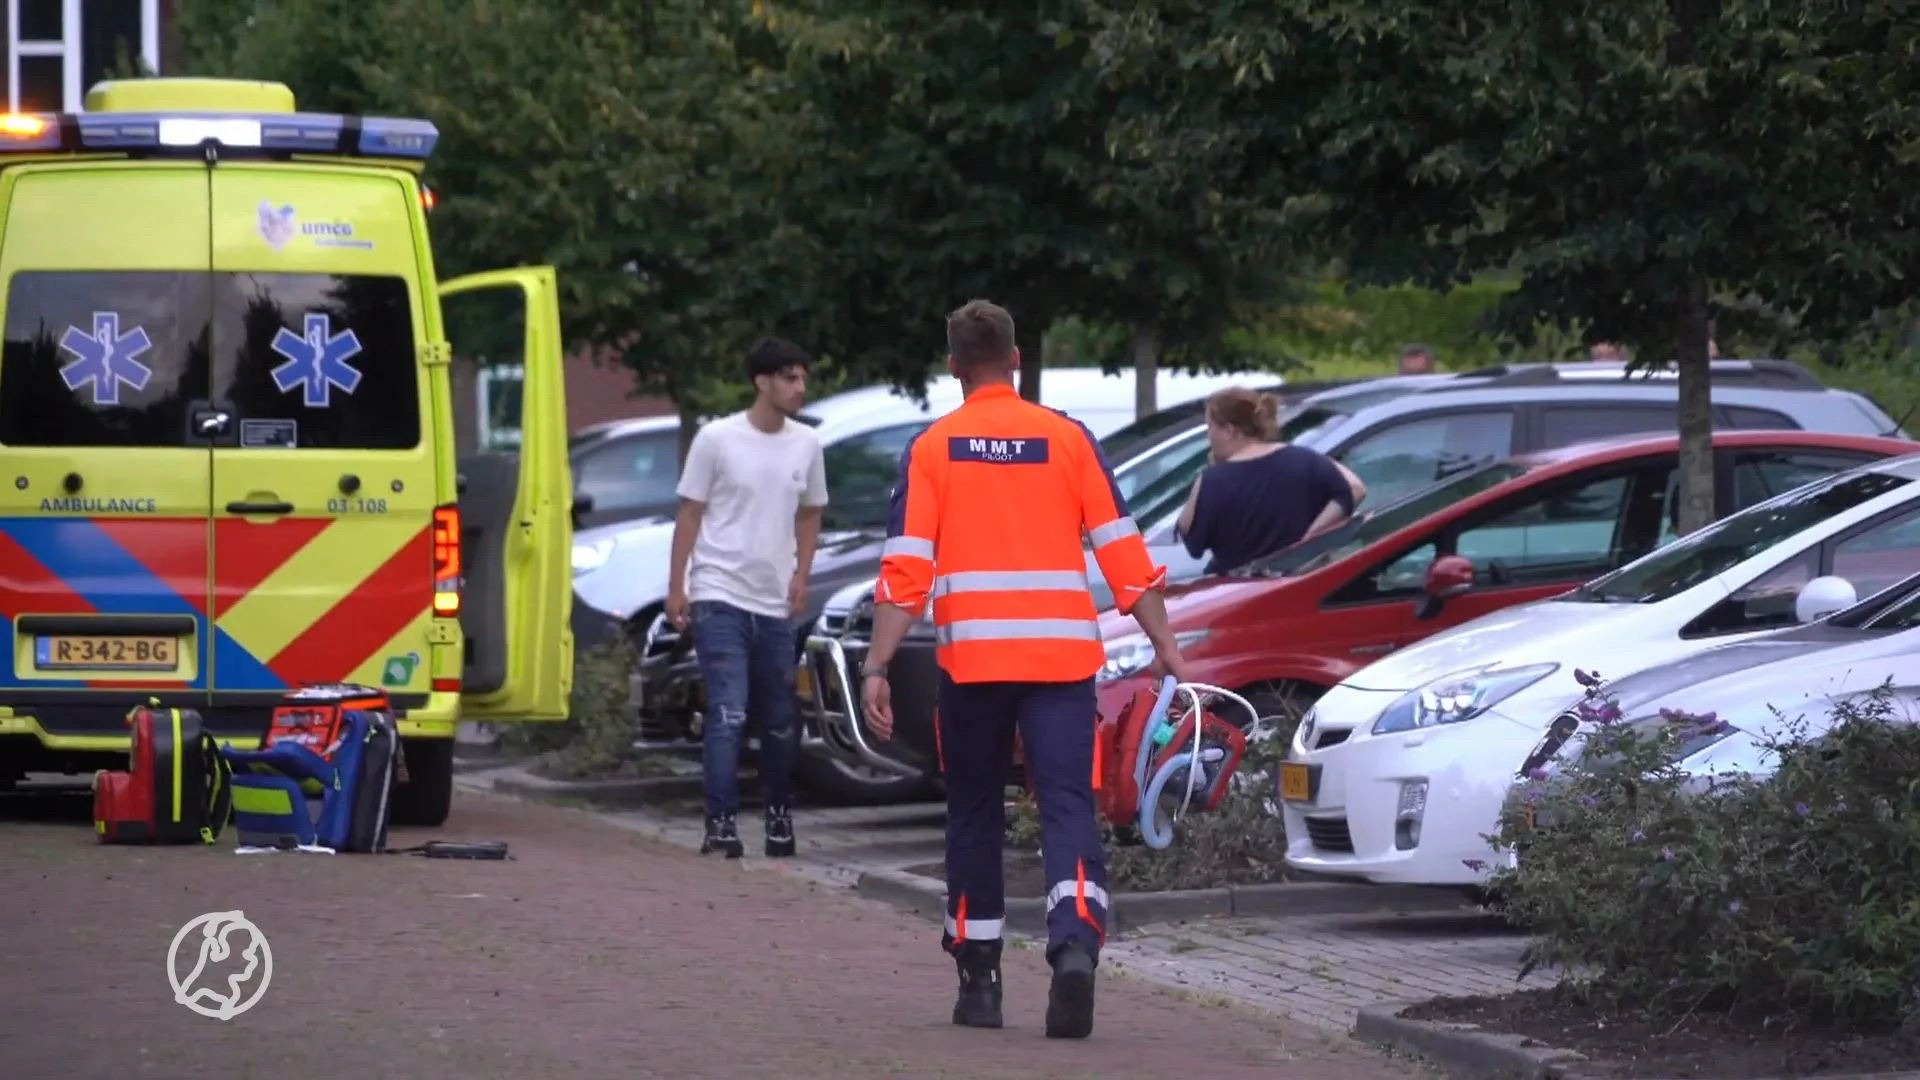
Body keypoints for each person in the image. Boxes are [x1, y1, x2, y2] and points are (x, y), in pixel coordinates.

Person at [858, 299, 1193, 1040]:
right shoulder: (1068, 439)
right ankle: (1074, 942)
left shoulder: (933, 448)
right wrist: (1166, 646)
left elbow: (905, 571)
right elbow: (1123, 554)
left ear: (952, 367)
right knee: (1068, 802)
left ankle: (980, 982)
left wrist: (878, 665)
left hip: (974, 663)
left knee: (974, 810)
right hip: (1060, 661)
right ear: (1016, 360)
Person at [666, 337, 827, 860]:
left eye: (802, 378)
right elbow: (690, 512)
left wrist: (802, 573)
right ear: (762, 382)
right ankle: (721, 824)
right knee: (729, 713)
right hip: (719, 592)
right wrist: (678, 586)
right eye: (789, 378)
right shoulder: (717, 439)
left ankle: (779, 818)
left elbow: (809, 513)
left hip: (776, 599)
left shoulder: (806, 444)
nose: (799, 388)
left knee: (780, 717)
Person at [1175, 388, 1367, 574]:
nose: (1209, 436)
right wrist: (1309, 539)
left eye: (1210, 427)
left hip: (1239, 594)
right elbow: (1353, 489)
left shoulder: (1213, 481)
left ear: (1229, 430)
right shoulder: (1304, 460)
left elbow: (1191, 539)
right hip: (1302, 585)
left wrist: (1211, 473)